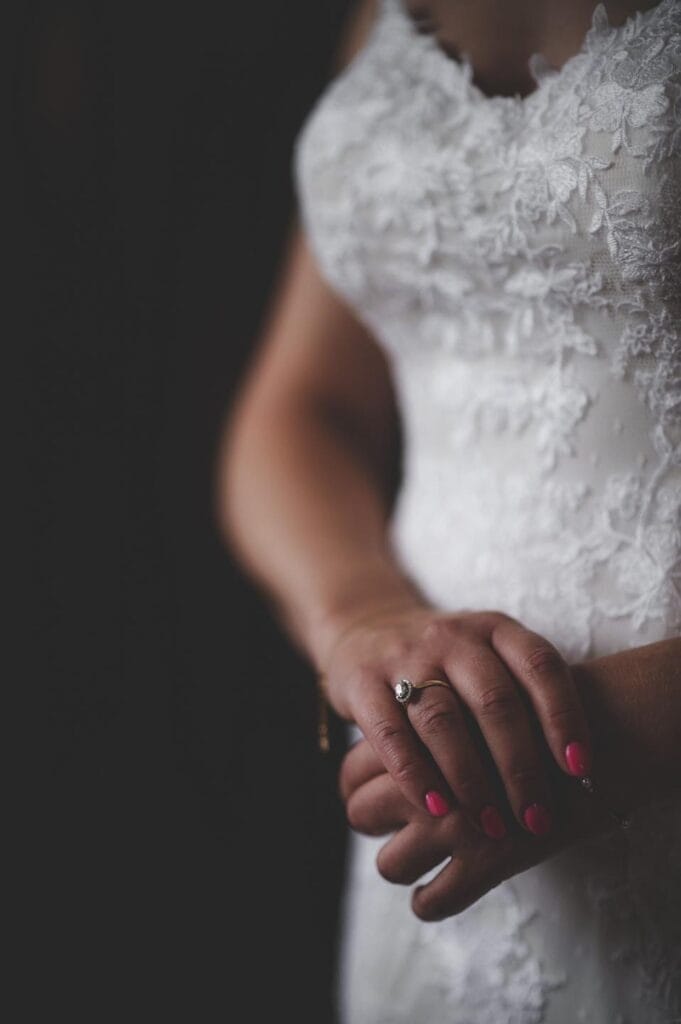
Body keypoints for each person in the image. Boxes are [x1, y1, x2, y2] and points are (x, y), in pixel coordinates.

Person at [217, 0, 681, 1020]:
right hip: (435, 806)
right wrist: (363, 615)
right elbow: (302, 408)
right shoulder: (377, 17)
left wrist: (625, 727)